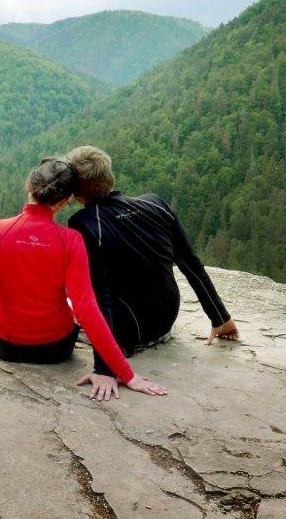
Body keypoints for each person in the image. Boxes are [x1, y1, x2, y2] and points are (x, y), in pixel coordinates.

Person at [0, 157, 166, 401]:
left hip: (5, 346)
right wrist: (127, 374)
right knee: (62, 298)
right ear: (66, 201)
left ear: (29, 187)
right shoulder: (71, 241)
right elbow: (87, 310)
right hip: (57, 348)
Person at [63, 145, 238, 382]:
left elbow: (99, 294)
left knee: (67, 295)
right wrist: (221, 318)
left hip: (130, 334)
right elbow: (190, 263)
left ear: (76, 188)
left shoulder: (84, 223)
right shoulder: (156, 204)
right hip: (167, 318)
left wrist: (104, 369)